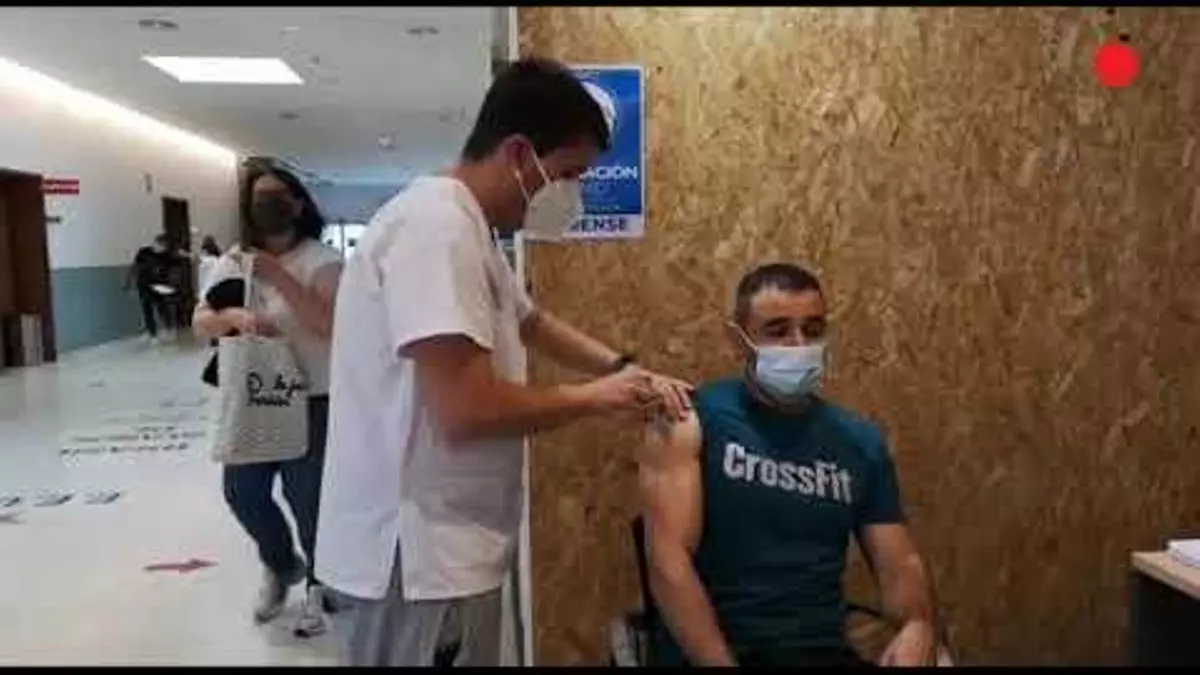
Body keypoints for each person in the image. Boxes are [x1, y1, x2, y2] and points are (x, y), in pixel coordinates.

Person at [314, 57, 694, 667]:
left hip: (446, 552)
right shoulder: (436, 229)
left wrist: (624, 368)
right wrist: (595, 399)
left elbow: (530, 321)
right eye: (566, 174)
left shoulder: (470, 227)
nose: (570, 194)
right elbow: (465, 411)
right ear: (519, 154)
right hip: (416, 561)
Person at [638, 263, 939, 667]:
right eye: (778, 331)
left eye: (812, 330)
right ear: (739, 340)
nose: (798, 344)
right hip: (718, 653)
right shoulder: (690, 420)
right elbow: (668, 562)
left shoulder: (859, 441)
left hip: (822, 652)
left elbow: (899, 564)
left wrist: (918, 624)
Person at [193, 165, 344, 638]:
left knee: (308, 500)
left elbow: (328, 325)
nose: (268, 205)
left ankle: (320, 584)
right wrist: (235, 318)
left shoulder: (324, 260)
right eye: (259, 197)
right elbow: (201, 320)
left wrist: (277, 275)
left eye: (278, 195)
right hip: (252, 396)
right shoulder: (233, 261)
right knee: (243, 492)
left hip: (313, 397)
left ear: (298, 204)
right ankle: (281, 564)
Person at [124, 234, 171, 344]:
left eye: (164, 247)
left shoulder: (165, 256)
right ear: (156, 243)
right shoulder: (144, 252)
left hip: (158, 286)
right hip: (144, 285)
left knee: (162, 308)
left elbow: (167, 271)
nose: (162, 249)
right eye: (161, 246)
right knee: (147, 310)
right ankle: (153, 334)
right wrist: (128, 283)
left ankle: (167, 329)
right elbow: (134, 267)